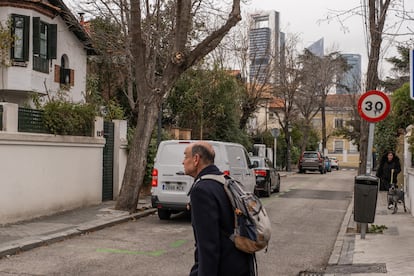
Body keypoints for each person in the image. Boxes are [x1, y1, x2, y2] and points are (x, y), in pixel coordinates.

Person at [183, 141, 255, 276]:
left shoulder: (201, 190)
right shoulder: (224, 180)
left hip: (224, 268)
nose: (183, 161)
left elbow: (208, 247)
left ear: (196, 159)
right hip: (241, 264)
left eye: (185, 156)